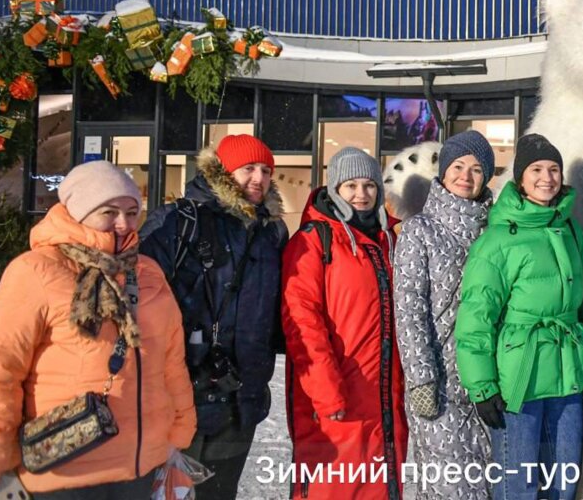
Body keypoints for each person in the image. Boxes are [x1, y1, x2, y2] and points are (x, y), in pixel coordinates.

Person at [0, 161, 196, 499]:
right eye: (109, 211)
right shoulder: (35, 270)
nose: (123, 224)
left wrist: (180, 430)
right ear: (78, 210)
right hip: (64, 467)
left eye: (132, 212)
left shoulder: (148, 272)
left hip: (138, 466)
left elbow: (170, 361)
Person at [140, 134, 286, 500]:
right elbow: (138, 298)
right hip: (183, 394)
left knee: (221, 493)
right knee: (172, 493)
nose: (259, 178)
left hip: (242, 396)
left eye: (266, 170)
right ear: (222, 172)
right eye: (248, 169)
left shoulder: (271, 232)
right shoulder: (178, 221)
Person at [455, 133, 583, 500]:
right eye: (536, 169)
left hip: (567, 374)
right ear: (520, 178)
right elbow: (475, 318)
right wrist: (481, 386)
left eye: (553, 169)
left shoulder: (570, 229)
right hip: (519, 377)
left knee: (564, 482)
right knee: (518, 485)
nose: (546, 177)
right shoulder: (496, 240)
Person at [281, 147, 408, 500]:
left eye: (369, 185)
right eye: (350, 185)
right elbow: (302, 320)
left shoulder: (391, 239)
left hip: (385, 397)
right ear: (335, 189)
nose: (361, 194)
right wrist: (324, 389)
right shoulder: (312, 241)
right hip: (336, 398)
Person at [394, 130, 497, 500]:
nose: (465, 177)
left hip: (487, 384)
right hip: (439, 385)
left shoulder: (495, 231)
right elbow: (409, 311)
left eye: (476, 169)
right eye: (458, 166)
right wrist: (421, 378)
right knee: (449, 486)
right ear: (443, 171)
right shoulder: (420, 230)